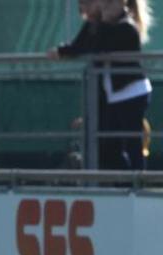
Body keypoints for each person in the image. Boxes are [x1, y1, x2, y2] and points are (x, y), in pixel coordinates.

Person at [52, 0, 153, 170]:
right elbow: (79, 45)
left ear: (122, 5)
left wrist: (100, 23)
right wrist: (61, 51)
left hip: (132, 93)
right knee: (107, 143)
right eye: (104, 4)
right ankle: (119, 182)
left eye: (110, 4)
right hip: (112, 95)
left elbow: (99, 47)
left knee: (131, 142)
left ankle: (136, 183)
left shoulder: (127, 28)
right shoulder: (97, 26)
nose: (106, 9)